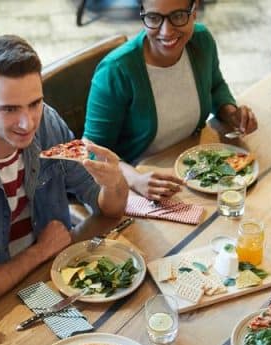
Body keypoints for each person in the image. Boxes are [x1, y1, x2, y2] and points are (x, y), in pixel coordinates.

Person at [0, 35, 129, 309]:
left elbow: (108, 210)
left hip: (48, 271)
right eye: (10, 109)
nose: (27, 122)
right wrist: (40, 251)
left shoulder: (48, 122)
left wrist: (115, 185)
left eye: (34, 103)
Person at [83, 0, 258, 201]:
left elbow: (215, 86)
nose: (166, 32)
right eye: (154, 18)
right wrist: (135, 179)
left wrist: (231, 113)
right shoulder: (115, 71)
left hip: (190, 169)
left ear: (194, 11)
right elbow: (92, 150)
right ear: (143, 14)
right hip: (137, 184)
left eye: (178, 16)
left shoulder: (201, 41)